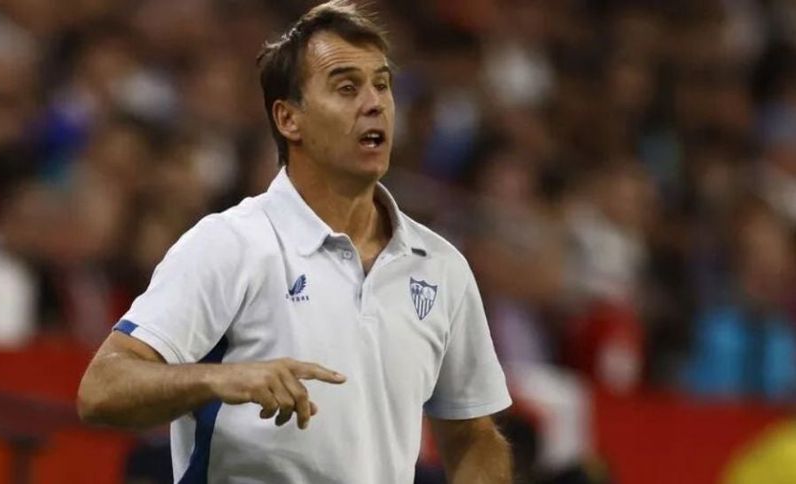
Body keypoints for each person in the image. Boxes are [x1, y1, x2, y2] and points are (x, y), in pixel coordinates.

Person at [77, 1, 512, 482]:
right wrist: (219, 378)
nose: (375, 103)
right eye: (347, 87)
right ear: (289, 119)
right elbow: (102, 388)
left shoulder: (441, 265)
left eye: (382, 84)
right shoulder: (232, 243)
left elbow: (472, 434)